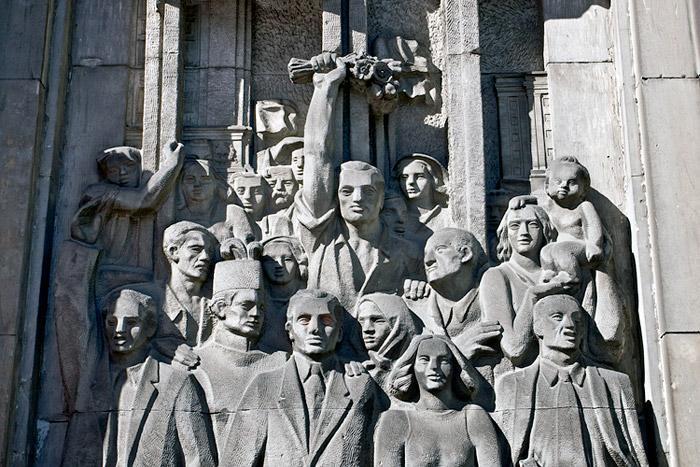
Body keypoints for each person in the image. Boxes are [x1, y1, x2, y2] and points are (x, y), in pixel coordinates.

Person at [292, 52, 425, 316]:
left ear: (382, 198)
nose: (357, 198)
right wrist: (326, 88)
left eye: (368, 191)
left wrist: (422, 288)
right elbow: (317, 154)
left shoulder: (409, 255)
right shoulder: (321, 237)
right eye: (346, 191)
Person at [221, 289, 386, 466]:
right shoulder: (264, 385)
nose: (315, 328)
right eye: (304, 320)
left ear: (339, 333)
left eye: (326, 320)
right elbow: (237, 461)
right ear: (290, 330)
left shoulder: (359, 384)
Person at [495, 294, 648, 467]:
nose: (570, 325)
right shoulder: (512, 385)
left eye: (577, 320)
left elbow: (635, 455)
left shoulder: (615, 383)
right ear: (538, 326)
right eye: (557, 317)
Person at [102, 289, 216, 466]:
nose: (119, 330)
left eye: (131, 322)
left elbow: (200, 459)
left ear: (150, 327)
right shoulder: (96, 385)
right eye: (112, 322)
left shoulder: (177, 382)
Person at [70, 141, 185, 294]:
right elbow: (143, 202)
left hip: (144, 276)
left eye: (129, 166)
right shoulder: (99, 192)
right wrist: (172, 164)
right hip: (111, 276)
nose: (122, 172)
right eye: (113, 170)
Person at [195, 256, 286, 443]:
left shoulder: (280, 362)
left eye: (261, 307)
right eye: (246, 306)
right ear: (220, 308)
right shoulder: (196, 363)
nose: (256, 314)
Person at [374, 335, 502, 466]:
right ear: (412, 367)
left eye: (444, 360)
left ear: (455, 367)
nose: (434, 366)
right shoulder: (396, 420)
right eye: (424, 360)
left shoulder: (473, 418)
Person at [479, 203, 560, 378]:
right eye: (515, 225)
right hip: (521, 380)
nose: (524, 232)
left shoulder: (559, 275)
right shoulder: (496, 276)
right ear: (506, 233)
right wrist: (533, 296)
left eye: (533, 224)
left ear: (545, 230)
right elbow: (514, 348)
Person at [156, 221, 219, 367]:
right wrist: (159, 346)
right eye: (196, 249)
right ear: (173, 251)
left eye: (209, 251)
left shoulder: (217, 303)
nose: (205, 257)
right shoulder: (151, 300)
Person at [356, 293, 422, 390]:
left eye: (377, 320)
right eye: (361, 321)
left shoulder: (422, 364)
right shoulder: (358, 369)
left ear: (397, 325)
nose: (367, 329)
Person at [258, 236, 308, 352]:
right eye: (271, 260)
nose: (279, 265)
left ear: (298, 262)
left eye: (287, 259)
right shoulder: (258, 301)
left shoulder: (308, 296)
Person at [393, 153, 452, 248]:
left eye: (420, 176)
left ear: (434, 180)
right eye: (404, 177)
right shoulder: (394, 219)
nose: (410, 182)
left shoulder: (448, 217)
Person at [175, 158, 229, 226]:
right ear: (181, 184)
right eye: (190, 179)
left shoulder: (228, 212)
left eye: (205, 179)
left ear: (215, 183)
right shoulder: (174, 214)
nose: (197, 184)